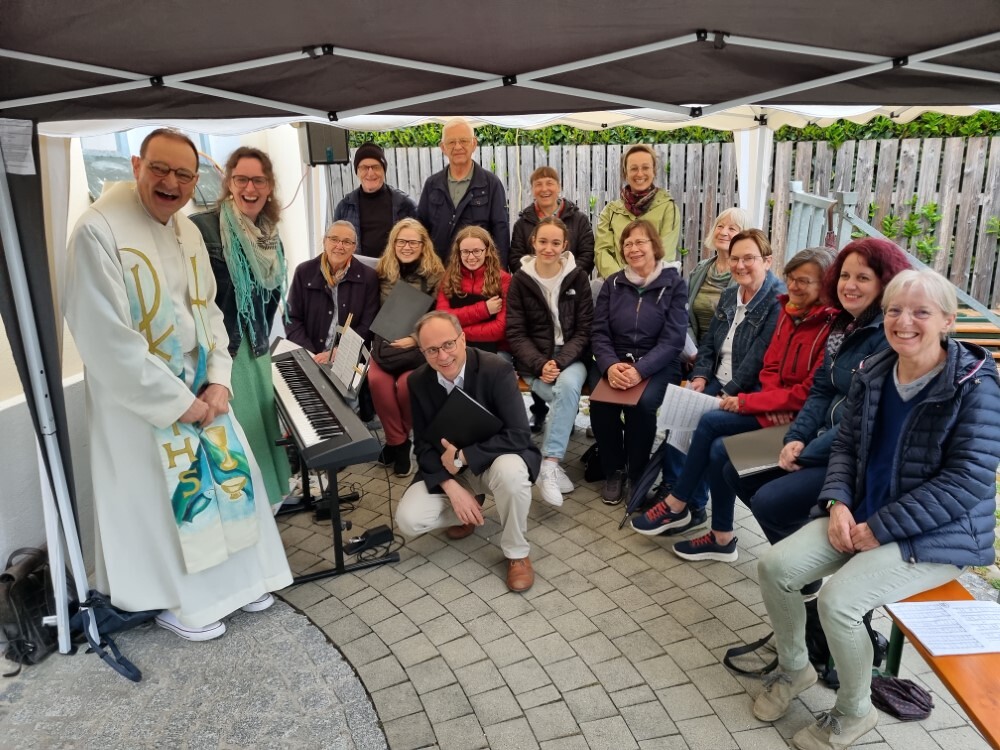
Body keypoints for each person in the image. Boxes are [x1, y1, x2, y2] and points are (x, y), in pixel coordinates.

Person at [752, 268, 1000, 750]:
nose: (904, 322)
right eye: (894, 310)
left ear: (948, 320)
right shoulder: (875, 370)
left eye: (921, 312)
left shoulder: (975, 386)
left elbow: (965, 483)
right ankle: (795, 667)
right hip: (863, 512)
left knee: (838, 603)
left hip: (937, 535)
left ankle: (854, 711)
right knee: (774, 567)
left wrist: (880, 527)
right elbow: (845, 447)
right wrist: (838, 502)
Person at [63, 128, 292, 642]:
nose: (171, 183)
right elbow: (105, 337)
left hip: (203, 390)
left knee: (233, 482)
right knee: (172, 500)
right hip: (144, 402)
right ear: (137, 166)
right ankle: (179, 601)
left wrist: (219, 381)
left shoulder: (186, 230)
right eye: (160, 169)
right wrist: (175, 401)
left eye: (184, 174)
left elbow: (209, 311)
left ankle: (245, 580)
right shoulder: (97, 231)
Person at [631, 248, 837, 558]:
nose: (794, 286)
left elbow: (812, 391)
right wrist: (768, 403)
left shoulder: (829, 327)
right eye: (792, 278)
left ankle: (679, 504)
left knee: (710, 424)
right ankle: (721, 535)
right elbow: (770, 366)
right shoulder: (790, 311)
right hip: (775, 409)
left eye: (804, 281)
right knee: (716, 445)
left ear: (825, 284)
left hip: (803, 424)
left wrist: (751, 402)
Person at [723, 239, 911, 556]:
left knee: (769, 501)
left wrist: (805, 451)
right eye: (844, 276)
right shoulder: (842, 325)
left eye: (863, 278)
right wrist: (796, 437)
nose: (849, 285)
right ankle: (798, 557)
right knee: (734, 467)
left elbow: (865, 419)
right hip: (817, 437)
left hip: (854, 456)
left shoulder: (887, 336)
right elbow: (821, 389)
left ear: (885, 283)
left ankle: (802, 563)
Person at [631, 229, 784, 528]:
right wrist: (700, 375)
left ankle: (691, 505)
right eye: (735, 258)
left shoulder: (776, 301)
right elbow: (709, 344)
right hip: (717, 377)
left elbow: (757, 358)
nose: (740, 265)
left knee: (703, 423)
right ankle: (677, 494)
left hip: (748, 389)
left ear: (767, 261)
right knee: (679, 419)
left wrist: (725, 393)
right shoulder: (729, 294)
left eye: (749, 258)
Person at [396, 311, 542, 592]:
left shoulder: (496, 369)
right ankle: (469, 510)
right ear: (422, 352)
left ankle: (517, 553)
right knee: (409, 520)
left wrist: (463, 457)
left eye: (448, 344)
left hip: (494, 462)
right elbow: (423, 445)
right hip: (451, 472)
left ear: (462, 339)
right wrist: (452, 488)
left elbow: (519, 434)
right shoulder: (417, 381)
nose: (442, 356)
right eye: (432, 350)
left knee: (512, 475)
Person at [191, 147, 291, 510]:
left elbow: (272, 295)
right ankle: (249, 508)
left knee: (264, 429)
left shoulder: (269, 233)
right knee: (240, 435)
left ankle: (270, 505)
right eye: (242, 179)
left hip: (257, 347)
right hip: (226, 352)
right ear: (229, 183)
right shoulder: (202, 228)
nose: (250, 188)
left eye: (258, 180)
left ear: (269, 186)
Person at [589, 219, 688, 504]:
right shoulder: (612, 283)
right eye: (628, 243)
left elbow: (673, 340)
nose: (633, 248)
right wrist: (610, 365)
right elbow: (599, 331)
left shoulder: (674, 284)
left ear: (654, 245)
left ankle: (638, 472)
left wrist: (640, 370)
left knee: (643, 405)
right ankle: (613, 470)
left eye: (640, 242)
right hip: (615, 359)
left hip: (659, 362)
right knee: (601, 401)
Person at [506, 217, 593, 507]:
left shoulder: (578, 277)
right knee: (564, 397)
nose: (548, 248)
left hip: (571, 357)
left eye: (556, 243)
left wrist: (560, 361)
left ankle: (548, 464)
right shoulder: (520, 280)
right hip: (533, 359)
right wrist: (540, 363)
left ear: (565, 245)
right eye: (543, 241)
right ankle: (552, 468)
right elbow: (516, 332)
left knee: (566, 387)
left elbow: (584, 330)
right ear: (533, 242)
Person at [369, 218, 445, 476]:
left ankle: (396, 441)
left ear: (424, 245)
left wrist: (415, 338)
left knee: (405, 386)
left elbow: (439, 315)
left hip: (418, 348)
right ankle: (399, 442)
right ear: (393, 243)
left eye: (413, 242)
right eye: (401, 241)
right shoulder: (381, 271)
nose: (407, 246)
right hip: (385, 345)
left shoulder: (436, 275)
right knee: (377, 381)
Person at [417, 118, 510, 266]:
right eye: (451, 142)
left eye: (463, 141)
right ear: (443, 147)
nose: (458, 146)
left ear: (474, 144)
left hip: (478, 272)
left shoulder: (491, 184)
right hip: (439, 271)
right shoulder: (432, 185)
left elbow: (501, 232)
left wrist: (499, 272)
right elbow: (421, 230)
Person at [285, 220, 380, 362]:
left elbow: (367, 326)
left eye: (346, 242)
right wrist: (309, 354)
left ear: (354, 247)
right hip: (308, 353)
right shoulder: (304, 272)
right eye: (334, 239)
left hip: (346, 357)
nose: (339, 246)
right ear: (324, 241)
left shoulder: (369, 278)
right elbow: (291, 318)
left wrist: (338, 352)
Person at [594, 145, 680, 278]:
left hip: (654, 282)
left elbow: (665, 253)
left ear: (653, 171)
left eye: (645, 168)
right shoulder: (610, 212)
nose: (640, 174)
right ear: (625, 173)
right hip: (616, 283)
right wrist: (622, 281)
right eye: (634, 168)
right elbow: (602, 252)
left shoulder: (668, 208)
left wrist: (643, 283)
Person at [435, 226, 512, 357]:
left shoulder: (504, 279)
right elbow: (443, 319)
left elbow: (500, 329)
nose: (471, 257)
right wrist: (485, 309)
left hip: (494, 349)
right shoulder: (449, 278)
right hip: (456, 347)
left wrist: (455, 333)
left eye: (477, 251)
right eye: (465, 252)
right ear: (458, 253)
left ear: (487, 251)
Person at [333, 142, 418, 259]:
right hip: (357, 269)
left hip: (395, 269)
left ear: (384, 170)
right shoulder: (345, 207)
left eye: (376, 167)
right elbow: (335, 245)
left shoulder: (405, 205)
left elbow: (420, 244)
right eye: (364, 168)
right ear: (357, 171)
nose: (370, 173)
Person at [509, 166, 595, 274]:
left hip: (572, 281)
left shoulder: (580, 220)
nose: (544, 189)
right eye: (538, 184)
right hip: (532, 282)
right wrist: (539, 277)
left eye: (549, 183)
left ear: (559, 187)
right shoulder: (522, 224)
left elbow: (587, 256)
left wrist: (564, 276)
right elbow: (516, 259)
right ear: (532, 190)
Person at [686, 208, 750, 350]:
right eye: (720, 226)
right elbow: (683, 314)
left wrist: (708, 356)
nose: (723, 232)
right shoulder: (699, 269)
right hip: (693, 351)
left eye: (732, 228)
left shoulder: (746, 275)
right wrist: (693, 351)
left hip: (727, 353)